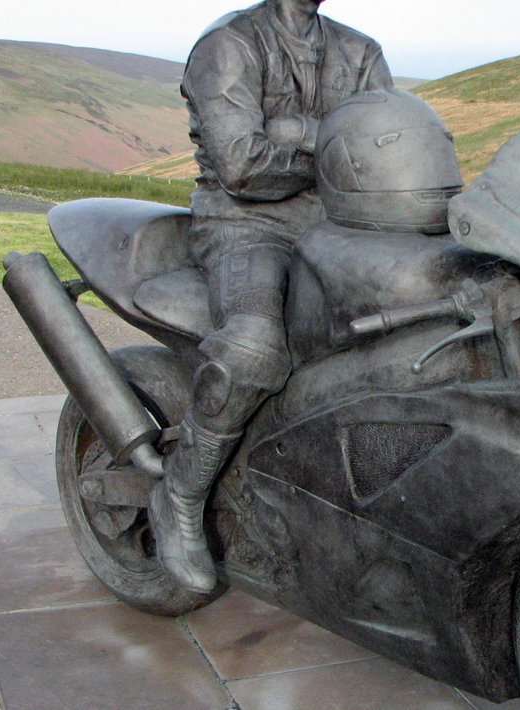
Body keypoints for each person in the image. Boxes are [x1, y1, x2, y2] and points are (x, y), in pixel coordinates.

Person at [149, 0, 394, 592]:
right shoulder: (230, 44)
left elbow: (386, 148)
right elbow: (242, 166)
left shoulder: (361, 51)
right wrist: (334, 146)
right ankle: (180, 493)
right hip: (247, 226)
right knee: (254, 347)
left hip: (347, 226)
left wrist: (298, 132)